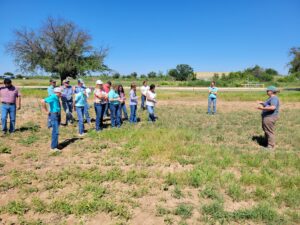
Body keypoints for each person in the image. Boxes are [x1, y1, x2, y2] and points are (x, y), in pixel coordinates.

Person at [41, 87, 62, 151]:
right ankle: (53, 147)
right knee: (55, 131)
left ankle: (56, 145)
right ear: (57, 92)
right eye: (60, 93)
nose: (61, 94)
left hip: (57, 114)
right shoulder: (53, 96)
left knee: (57, 130)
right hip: (54, 115)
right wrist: (46, 111)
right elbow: (43, 101)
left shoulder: (56, 97)